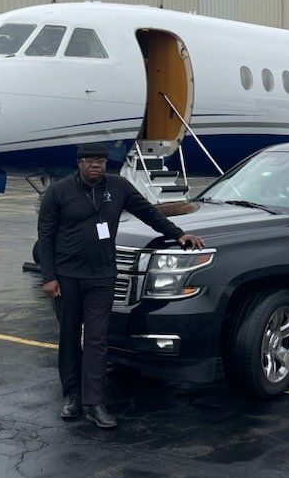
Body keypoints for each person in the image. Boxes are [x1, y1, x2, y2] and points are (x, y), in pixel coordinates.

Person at [37, 142, 204, 428]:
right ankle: (72, 396)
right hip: (67, 278)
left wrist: (178, 235)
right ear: (79, 163)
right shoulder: (58, 192)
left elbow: (149, 214)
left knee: (97, 339)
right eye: (89, 160)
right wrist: (49, 277)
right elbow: (45, 236)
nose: (95, 166)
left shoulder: (119, 187)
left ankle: (95, 402)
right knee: (68, 337)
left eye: (100, 161)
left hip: (102, 276)